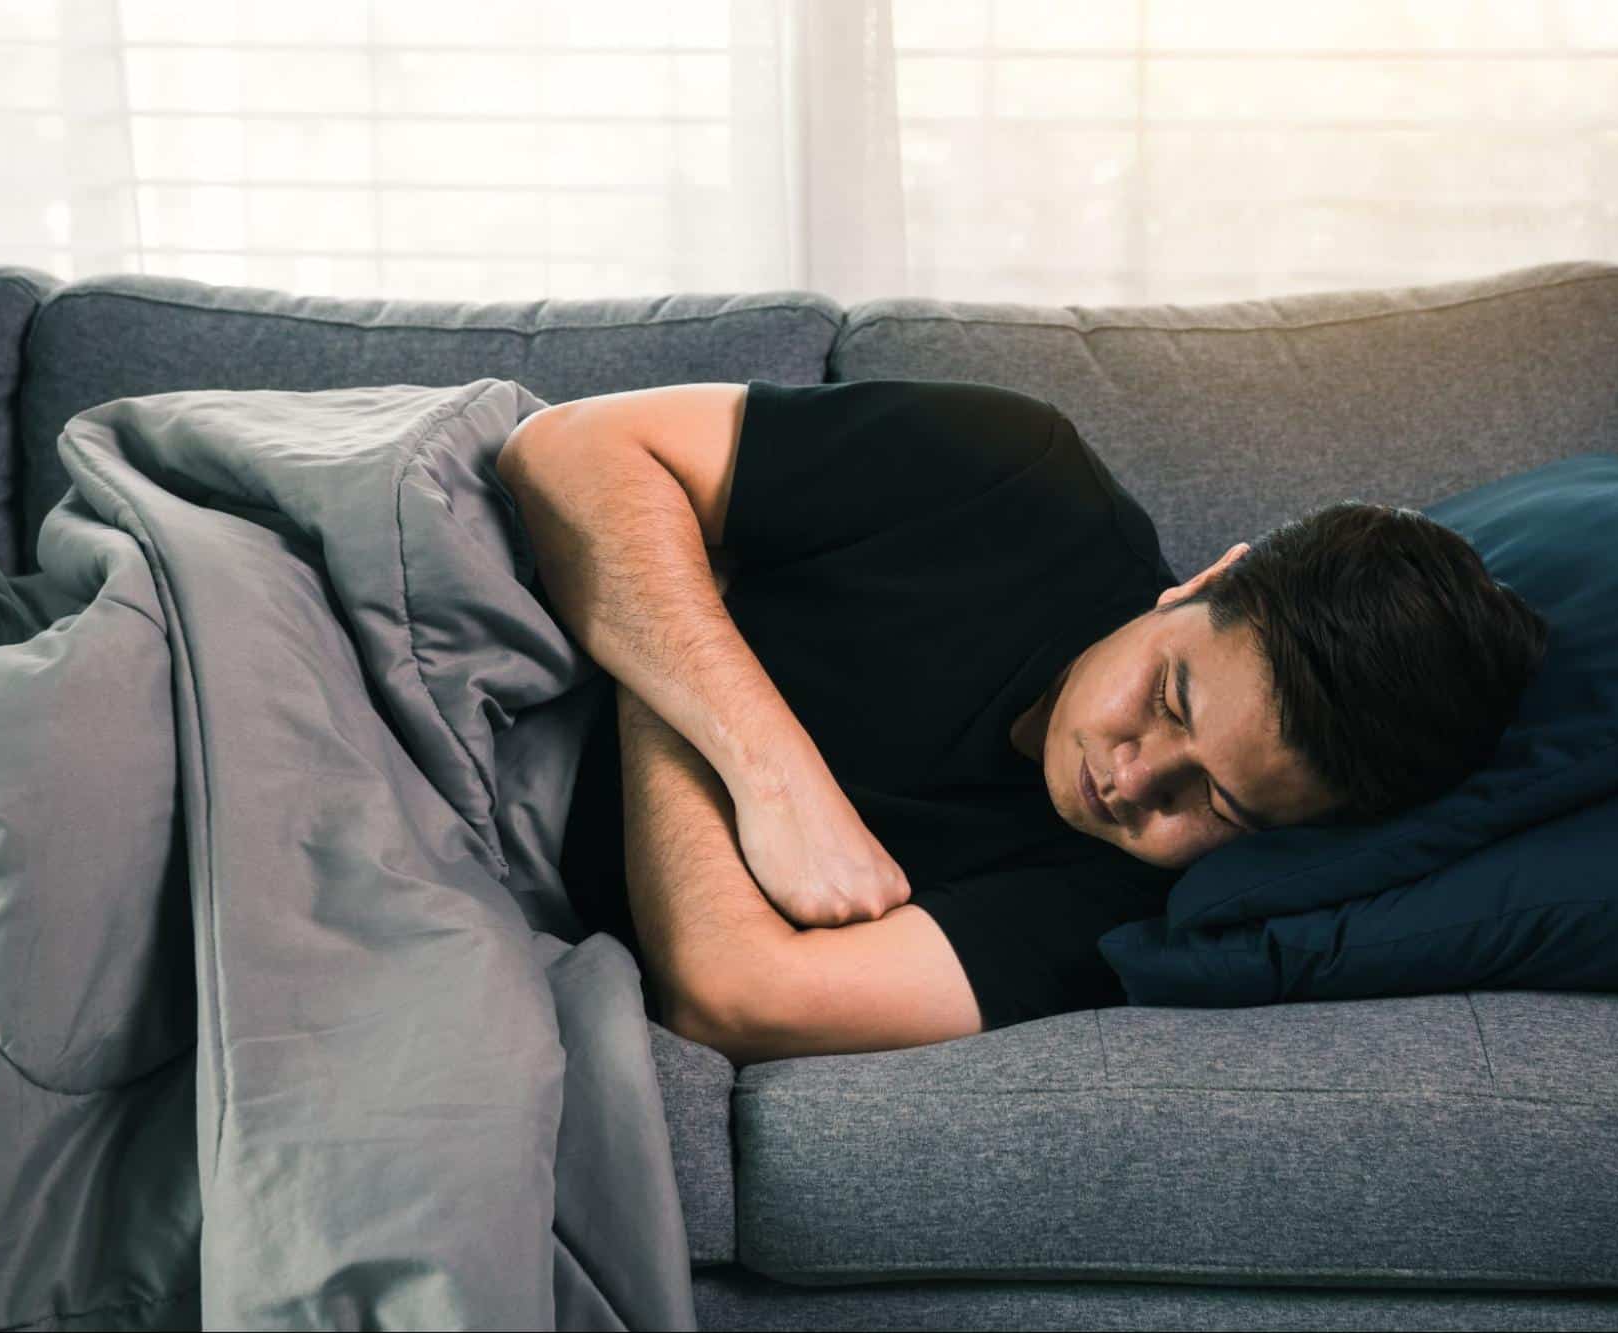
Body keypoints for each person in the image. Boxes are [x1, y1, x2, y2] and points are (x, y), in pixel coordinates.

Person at [500, 378, 1547, 1065]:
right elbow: (566, 450)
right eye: (1166, 698)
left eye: (1213, 803)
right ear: (1200, 584)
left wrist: (663, 650)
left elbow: (737, 1000)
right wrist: (769, 772)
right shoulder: (1015, 477)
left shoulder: (1117, 908)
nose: (1132, 781)